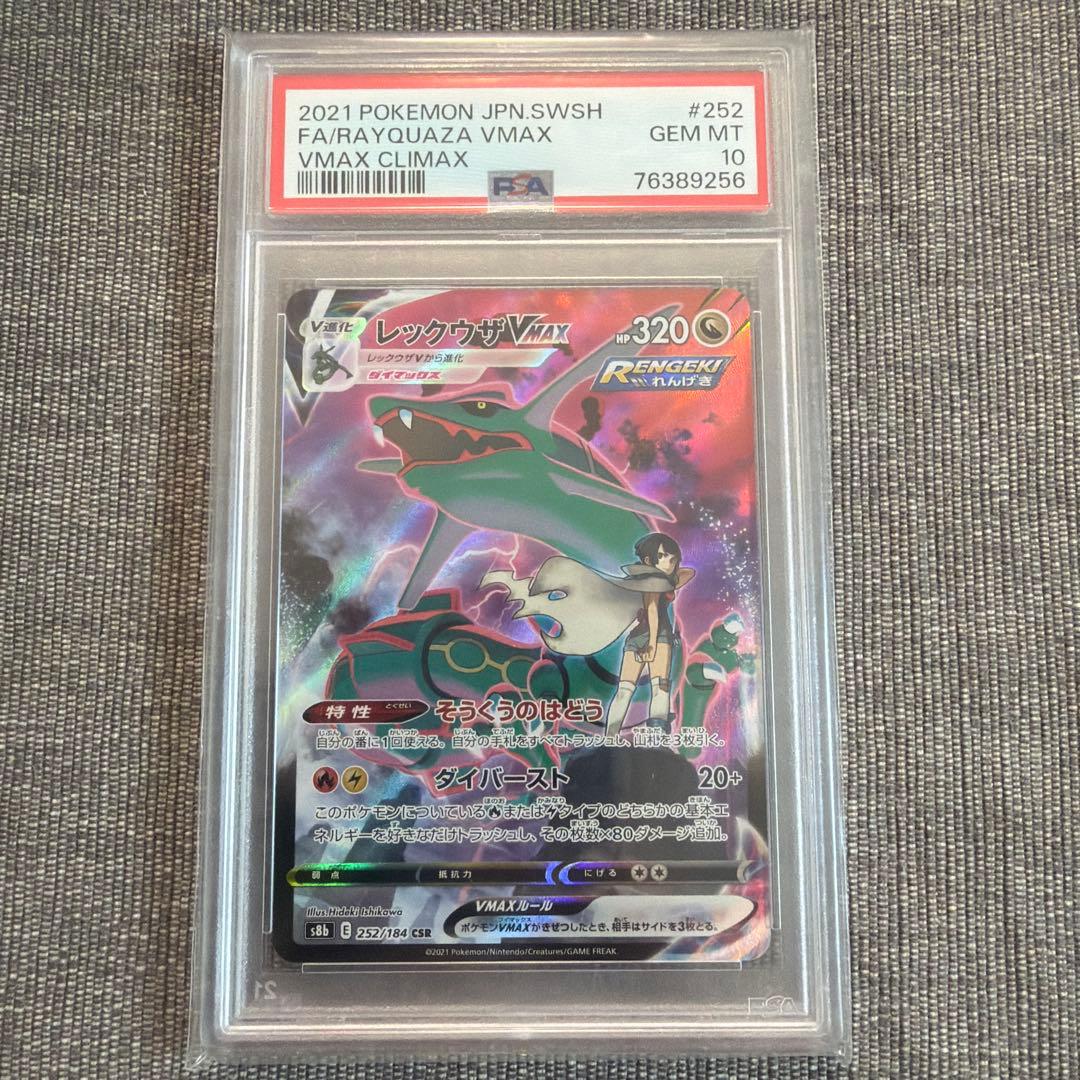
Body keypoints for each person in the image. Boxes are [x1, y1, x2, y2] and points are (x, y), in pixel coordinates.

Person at [605, 533, 694, 739]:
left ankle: (610, 738)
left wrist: (667, 578)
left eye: (672, 558)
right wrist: (652, 644)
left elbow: (688, 573)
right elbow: (652, 611)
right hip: (658, 636)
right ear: (648, 559)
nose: (668, 562)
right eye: (661, 556)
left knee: (625, 690)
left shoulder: (648, 580)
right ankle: (656, 737)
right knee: (659, 687)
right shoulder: (651, 582)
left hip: (637, 637)